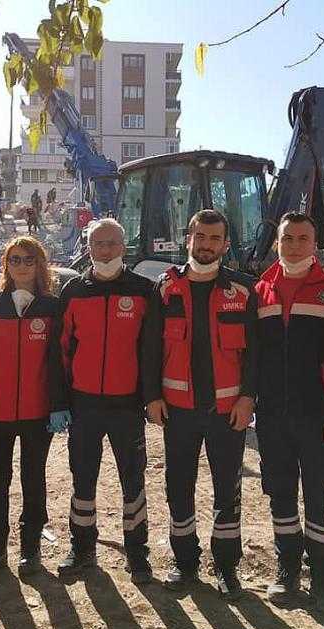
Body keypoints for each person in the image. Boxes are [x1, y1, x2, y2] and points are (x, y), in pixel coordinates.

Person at [144, 209, 258, 601]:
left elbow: (256, 353)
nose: (206, 245)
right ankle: (185, 562)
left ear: (225, 244)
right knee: (178, 487)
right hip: (178, 411)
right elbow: (150, 346)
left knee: (228, 490)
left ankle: (227, 567)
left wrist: (248, 398)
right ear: (187, 239)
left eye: (214, 238)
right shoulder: (165, 287)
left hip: (228, 412)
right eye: (200, 237)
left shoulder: (243, 290)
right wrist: (152, 397)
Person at [253, 212, 324, 612]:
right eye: (287, 238)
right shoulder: (261, 291)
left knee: (320, 497)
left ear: (315, 243)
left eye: (302, 238)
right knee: (280, 494)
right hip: (273, 417)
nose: (295, 245)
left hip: (319, 416)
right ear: (277, 242)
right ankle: (287, 570)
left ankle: (322, 579)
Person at [56, 218, 154, 583]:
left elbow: (152, 350)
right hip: (84, 405)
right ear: (89, 247)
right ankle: (82, 549)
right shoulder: (74, 291)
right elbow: (61, 348)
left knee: (133, 481)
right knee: (83, 479)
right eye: (98, 244)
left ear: (124, 245)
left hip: (127, 406)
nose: (105, 250)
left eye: (112, 243)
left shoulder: (145, 290)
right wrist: (61, 399)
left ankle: (137, 552)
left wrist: (150, 398)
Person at [0, 237, 65, 578]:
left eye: (29, 259)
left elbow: (59, 363)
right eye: (15, 259)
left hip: (39, 415)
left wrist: (58, 405)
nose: (22, 265)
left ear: (41, 265)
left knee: (33, 479)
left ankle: (30, 549)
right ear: (6, 266)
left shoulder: (53, 309)